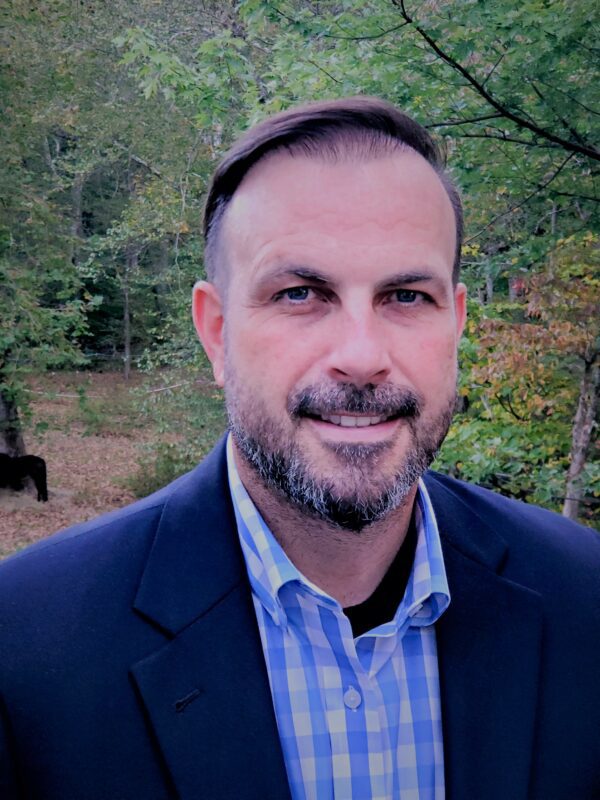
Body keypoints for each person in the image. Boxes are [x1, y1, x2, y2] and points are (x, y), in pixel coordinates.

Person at [0, 97, 598, 800]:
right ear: (216, 332)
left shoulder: (584, 597)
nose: (362, 357)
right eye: (300, 294)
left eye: (407, 297)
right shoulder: (23, 645)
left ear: (456, 325)